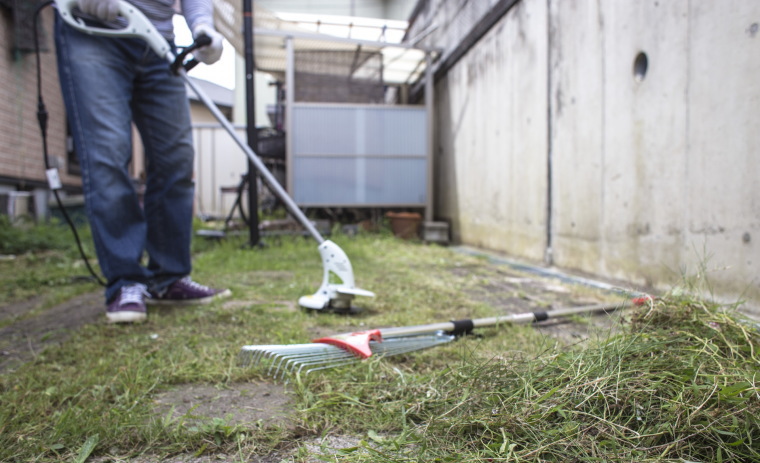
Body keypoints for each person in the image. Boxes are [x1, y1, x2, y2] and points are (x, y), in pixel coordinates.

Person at [54, 0, 230, 323]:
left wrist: (202, 24)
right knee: (107, 153)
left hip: (159, 39)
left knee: (176, 157)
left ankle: (168, 278)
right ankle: (126, 281)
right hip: (92, 30)